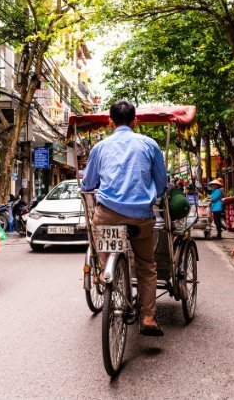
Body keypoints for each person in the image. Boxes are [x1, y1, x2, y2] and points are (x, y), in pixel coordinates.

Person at [81, 100, 167, 336]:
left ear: (110, 122)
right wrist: (155, 194)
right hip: (141, 217)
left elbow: (88, 184)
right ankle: (148, 317)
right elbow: (161, 184)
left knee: (97, 232)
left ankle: (104, 268)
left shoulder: (100, 147)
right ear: (135, 121)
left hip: (108, 215)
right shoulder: (149, 144)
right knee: (146, 266)